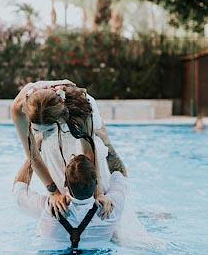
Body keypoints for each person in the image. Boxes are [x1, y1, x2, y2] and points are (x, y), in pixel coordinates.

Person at [11, 80, 127, 218]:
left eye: (49, 130)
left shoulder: (80, 106)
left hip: (72, 106)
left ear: (60, 120)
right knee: (52, 155)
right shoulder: (18, 110)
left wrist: (98, 194)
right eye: (36, 130)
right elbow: (33, 156)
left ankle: (101, 132)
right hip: (48, 106)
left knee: (83, 169)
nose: (43, 133)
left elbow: (88, 152)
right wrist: (55, 193)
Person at [14, 155, 126, 250]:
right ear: (97, 183)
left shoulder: (48, 209)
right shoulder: (110, 209)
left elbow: (19, 188)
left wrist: (33, 154)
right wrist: (106, 141)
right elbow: (120, 174)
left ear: (65, 184)